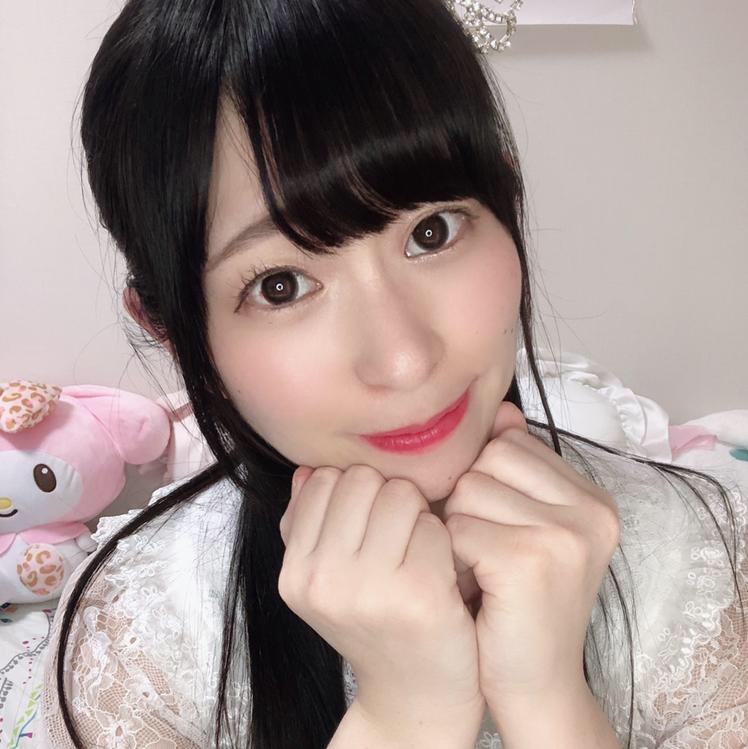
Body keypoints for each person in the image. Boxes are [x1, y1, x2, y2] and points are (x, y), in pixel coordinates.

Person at [39, 1, 747, 747]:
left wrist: (547, 697)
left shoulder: (703, 560)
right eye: (281, 285)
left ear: (505, 199)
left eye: (431, 232)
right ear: (174, 331)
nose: (405, 360)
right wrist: (406, 713)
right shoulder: (134, 646)